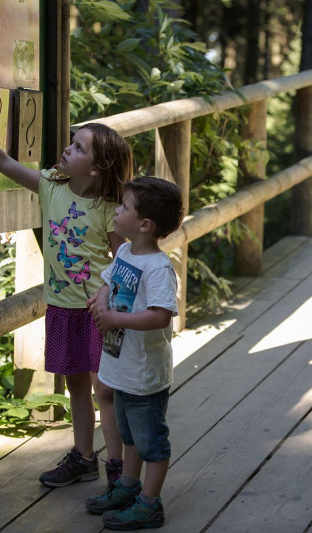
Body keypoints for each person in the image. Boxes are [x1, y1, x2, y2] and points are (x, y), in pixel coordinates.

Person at [0, 90, 129, 488]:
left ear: (98, 168)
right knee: (77, 386)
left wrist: (106, 296)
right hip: (62, 307)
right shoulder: (51, 184)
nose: (67, 149)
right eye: (71, 142)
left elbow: (123, 261)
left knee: (107, 392)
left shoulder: (109, 209)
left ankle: (117, 468)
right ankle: (84, 457)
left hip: (98, 312)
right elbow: (3, 162)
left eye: (78, 147)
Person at [84, 176, 184, 530]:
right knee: (130, 436)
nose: (116, 210)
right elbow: (109, 279)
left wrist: (114, 317)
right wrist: (100, 297)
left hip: (144, 374)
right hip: (120, 365)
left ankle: (149, 504)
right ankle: (128, 486)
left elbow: (160, 315)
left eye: (124, 206)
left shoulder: (158, 268)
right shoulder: (125, 251)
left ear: (145, 224)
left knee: (152, 443)